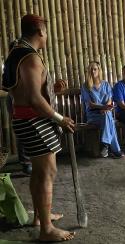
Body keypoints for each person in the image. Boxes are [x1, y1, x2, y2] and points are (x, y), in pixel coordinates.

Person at [2, 14, 75, 241]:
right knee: (47, 172)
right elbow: (33, 99)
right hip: (34, 121)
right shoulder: (31, 58)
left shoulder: (17, 52)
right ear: (41, 31)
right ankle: (46, 230)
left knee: (40, 170)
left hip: (26, 119)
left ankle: (40, 217)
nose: (47, 36)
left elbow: (25, 90)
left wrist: (52, 88)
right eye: (46, 32)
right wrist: (60, 118)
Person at [81, 62, 123, 158]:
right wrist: (103, 108)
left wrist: (106, 108)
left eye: (95, 69)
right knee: (110, 120)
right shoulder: (85, 86)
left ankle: (105, 145)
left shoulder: (106, 84)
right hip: (93, 115)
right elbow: (90, 105)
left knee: (107, 116)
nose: (93, 71)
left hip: (105, 113)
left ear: (99, 71)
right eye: (91, 69)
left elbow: (109, 101)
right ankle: (115, 149)